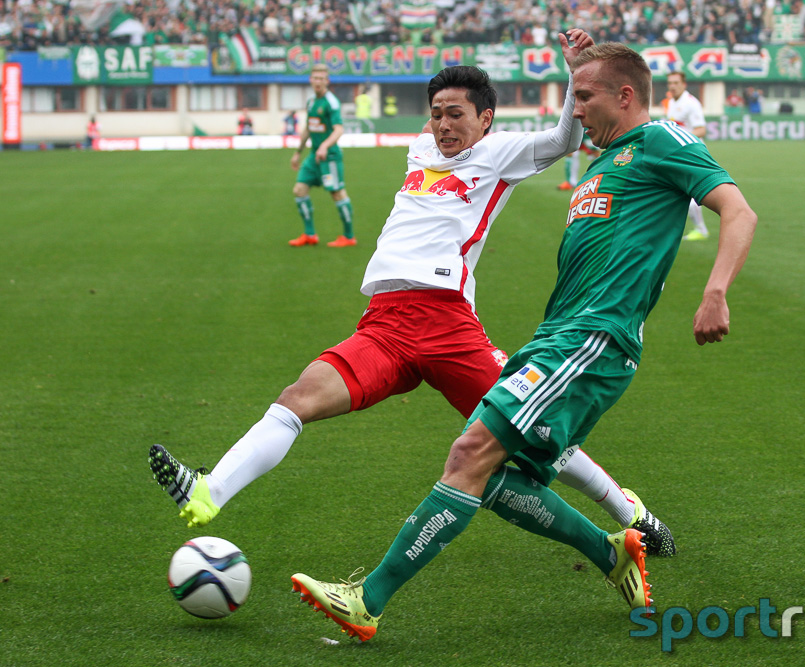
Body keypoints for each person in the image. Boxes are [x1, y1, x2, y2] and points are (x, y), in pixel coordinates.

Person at [150, 31, 672, 594]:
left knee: (534, 430)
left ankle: (631, 515)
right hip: (384, 324)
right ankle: (208, 491)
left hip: (448, 323)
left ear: (487, 118)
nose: (444, 125)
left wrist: (574, 78)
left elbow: (567, 139)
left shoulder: (501, 155)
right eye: (437, 115)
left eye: (457, 115)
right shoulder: (420, 150)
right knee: (297, 399)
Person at [291, 42, 757, 642]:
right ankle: (610, 550)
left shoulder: (663, 140)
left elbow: (737, 210)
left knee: (469, 456)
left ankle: (368, 599)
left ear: (624, 95)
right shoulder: (605, 163)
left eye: (584, 96)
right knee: (494, 474)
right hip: (554, 340)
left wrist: (715, 291)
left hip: (593, 341)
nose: (576, 109)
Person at [289, 64, 356, 248]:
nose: (318, 82)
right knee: (299, 190)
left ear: (327, 81)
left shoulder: (331, 102)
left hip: (330, 157)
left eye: (321, 79)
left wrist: (325, 146)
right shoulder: (311, 102)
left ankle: (349, 236)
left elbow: (339, 129)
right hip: (313, 156)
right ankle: (310, 234)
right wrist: (297, 153)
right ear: (310, 80)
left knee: (337, 193)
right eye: (315, 78)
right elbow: (309, 129)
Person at [666, 71, 709, 241]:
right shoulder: (671, 102)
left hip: (693, 154)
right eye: (670, 83)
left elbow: (701, 129)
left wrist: (681, 137)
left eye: (676, 82)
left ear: (684, 84)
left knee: (688, 195)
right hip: (679, 153)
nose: (673, 86)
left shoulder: (691, 103)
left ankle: (701, 229)